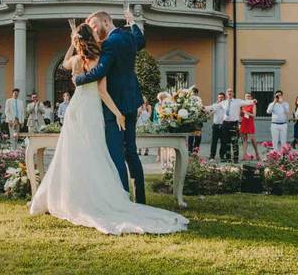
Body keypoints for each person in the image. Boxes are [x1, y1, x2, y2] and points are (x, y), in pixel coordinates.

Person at [30, 18, 188, 235]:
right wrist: (118, 114)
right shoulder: (97, 58)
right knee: (100, 153)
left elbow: (66, 61)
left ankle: (71, 197)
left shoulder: (76, 60)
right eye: (93, 31)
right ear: (90, 38)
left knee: (72, 154)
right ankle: (118, 197)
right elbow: (103, 92)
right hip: (94, 110)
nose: (97, 34)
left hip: (75, 110)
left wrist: (72, 44)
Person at [73, 9, 147, 204]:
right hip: (132, 101)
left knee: (116, 153)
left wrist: (78, 79)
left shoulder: (109, 44)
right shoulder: (128, 36)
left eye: (95, 25)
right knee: (131, 151)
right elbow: (141, 41)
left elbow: (100, 72)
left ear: (106, 21)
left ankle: (122, 200)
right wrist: (132, 22)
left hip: (115, 106)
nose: (94, 29)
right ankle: (140, 199)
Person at [220, 90, 256, 163]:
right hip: (235, 123)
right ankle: (231, 157)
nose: (230, 93)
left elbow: (253, 113)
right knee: (232, 141)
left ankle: (237, 158)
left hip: (243, 123)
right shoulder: (225, 103)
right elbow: (239, 114)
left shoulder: (242, 102)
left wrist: (253, 102)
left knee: (240, 141)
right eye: (246, 96)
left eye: (249, 96)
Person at [239, 92, 259, 161]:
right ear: (244, 97)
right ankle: (244, 155)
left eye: (249, 96)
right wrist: (241, 113)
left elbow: (254, 115)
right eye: (246, 96)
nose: (248, 97)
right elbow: (241, 115)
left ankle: (257, 153)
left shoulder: (253, 104)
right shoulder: (242, 105)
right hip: (244, 122)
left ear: (251, 97)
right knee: (244, 140)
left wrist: (246, 112)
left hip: (250, 123)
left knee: (252, 139)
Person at [207, 92, 226, 161]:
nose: (220, 99)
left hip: (224, 125)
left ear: (224, 98)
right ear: (217, 98)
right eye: (219, 97)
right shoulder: (215, 105)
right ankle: (212, 156)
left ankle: (222, 156)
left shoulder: (226, 106)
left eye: (222, 97)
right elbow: (210, 113)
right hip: (216, 125)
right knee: (214, 141)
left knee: (223, 142)